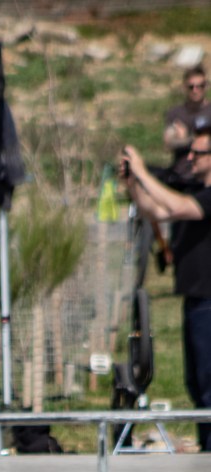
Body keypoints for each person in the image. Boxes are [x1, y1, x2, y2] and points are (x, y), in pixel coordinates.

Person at [121, 131, 211, 452]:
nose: (190, 158)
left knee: (209, 383)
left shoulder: (204, 198)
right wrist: (134, 184)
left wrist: (143, 172)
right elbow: (157, 211)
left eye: (198, 153)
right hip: (195, 299)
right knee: (196, 382)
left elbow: (178, 207)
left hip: (209, 302)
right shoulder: (195, 192)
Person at [163, 65, 211, 186]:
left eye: (200, 86)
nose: (196, 90)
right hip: (181, 174)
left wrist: (186, 138)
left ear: (206, 86)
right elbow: (168, 143)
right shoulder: (176, 113)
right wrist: (194, 139)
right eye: (191, 87)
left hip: (206, 177)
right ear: (185, 87)